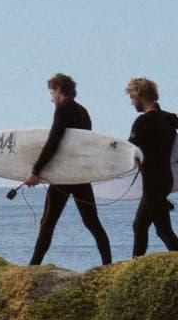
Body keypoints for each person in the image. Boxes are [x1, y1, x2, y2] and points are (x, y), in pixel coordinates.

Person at [20, 72, 113, 268]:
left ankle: (33, 267)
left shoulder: (63, 110)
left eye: (52, 92)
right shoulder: (83, 112)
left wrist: (35, 171)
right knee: (92, 223)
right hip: (80, 175)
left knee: (48, 222)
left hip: (64, 176)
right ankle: (108, 265)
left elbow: (53, 142)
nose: (51, 97)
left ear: (60, 90)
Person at [125, 77, 178, 256]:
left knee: (163, 230)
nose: (131, 102)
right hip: (165, 179)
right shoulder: (169, 118)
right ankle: (135, 267)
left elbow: (128, 150)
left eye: (132, 97)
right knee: (139, 226)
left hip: (152, 182)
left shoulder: (142, 122)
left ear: (139, 95)